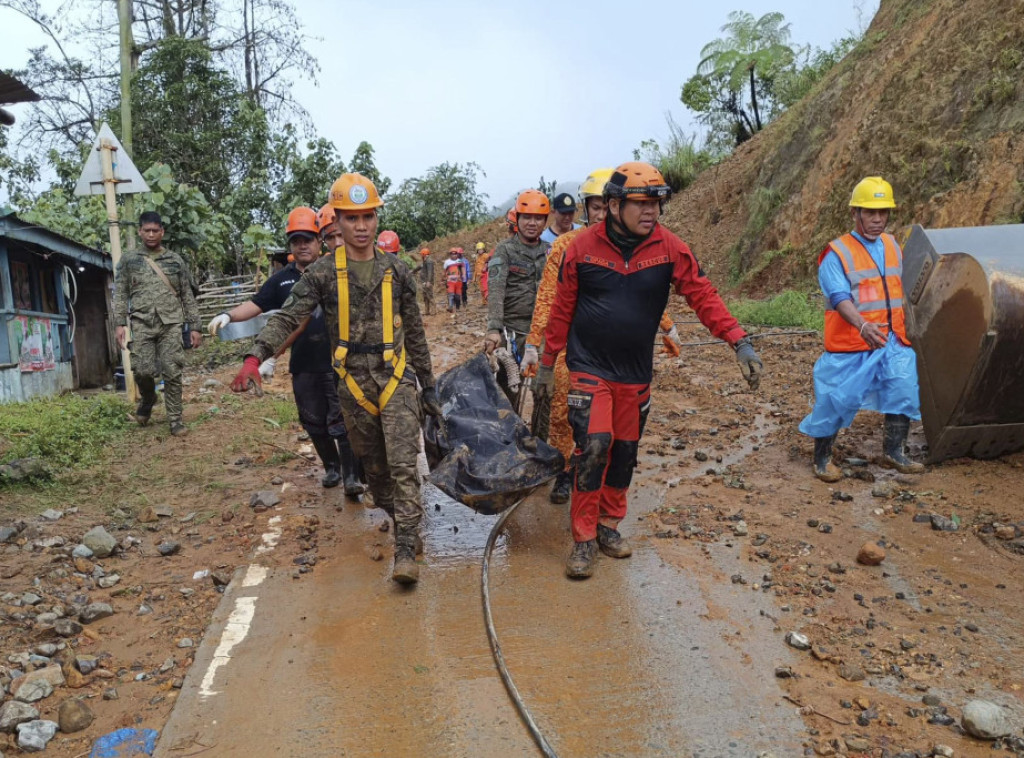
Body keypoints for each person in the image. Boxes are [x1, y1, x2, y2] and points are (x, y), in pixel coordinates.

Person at [537, 162, 763, 579]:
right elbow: (560, 311)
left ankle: (608, 526)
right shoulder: (581, 249)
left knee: (624, 453)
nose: (651, 213)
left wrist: (739, 341)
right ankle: (584, 539)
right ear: (615, 205)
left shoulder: (670, 248)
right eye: (642, 204)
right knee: (594, 447)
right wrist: (547, 365)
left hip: (635, 372)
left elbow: (703, 294)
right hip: (589, 368)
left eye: (657, 204)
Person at [230, 173, 441, 585]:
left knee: (401, 464)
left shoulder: (398, 272)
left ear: (376, 218)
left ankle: (406, 548)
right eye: (351, 218)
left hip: (395, 379)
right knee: (375, 476)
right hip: (353, 387)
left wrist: (429, 387)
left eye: (367, 217)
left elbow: (415, 333)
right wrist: (255, 357)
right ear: (337, 223)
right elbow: (288, 316)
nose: (361, 227)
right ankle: (402, 517)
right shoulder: (322, 274)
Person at [209, 206, 367, 496]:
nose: (302, 245)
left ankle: (351, 476)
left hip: (338, 363)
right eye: (296, 240)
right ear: (290, 245)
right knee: (312, 420)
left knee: (342, 420)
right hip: (304, 363)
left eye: (308, 238)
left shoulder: (335, 271)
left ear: (319, 240)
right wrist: (229, 315)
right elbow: (257, 306)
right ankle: (331, 466)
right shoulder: (282, 280)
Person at [798, 176, 924, 481]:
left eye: (883, 212)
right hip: (851, 343)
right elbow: (839, 296)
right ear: (855, 213)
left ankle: (895, 451)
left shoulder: (893, 245)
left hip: (891, 338)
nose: (877, 219)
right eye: (870, 212)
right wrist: (863, 324)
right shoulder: (837, 253)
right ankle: (822, 458)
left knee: (903, 389)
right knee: (834, 399)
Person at [522, 168, 613, 504]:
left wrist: (666, 325)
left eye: (609, 207)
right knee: (562, 410)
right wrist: (533, 344)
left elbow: (644, 295)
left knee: (606, 418)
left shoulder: (630, 249)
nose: (603, 215)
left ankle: (598, 473)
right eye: (596, 208)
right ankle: (565, 472)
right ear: (586, 209)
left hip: (612, 349)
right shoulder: (564, 246)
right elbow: (547, 298)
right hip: (571, 344)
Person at [113, 211, 202, 437]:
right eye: (147, 230)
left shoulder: (175, 260)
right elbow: (121, 293)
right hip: (142, 323)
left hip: (171, 324)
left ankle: (175, 419)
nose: (151, 235)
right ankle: (149, 398)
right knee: (142, 370)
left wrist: (195, 326)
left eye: (155, 230)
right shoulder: (129, 260)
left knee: (172, 370)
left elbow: (187, 296)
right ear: (140, 232)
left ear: (162, 232)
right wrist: (119, 323)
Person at [483, 189, 551, 402]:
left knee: (545, 392)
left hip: (542, 334)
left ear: (545, 221)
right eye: (527, 217)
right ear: (518, 219)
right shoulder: (505, 250)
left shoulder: (551, 251)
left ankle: (539, 435)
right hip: (511, 331)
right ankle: (510, 435)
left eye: (538, 218)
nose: (532, 223)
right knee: (508, 391)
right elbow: (496, 290)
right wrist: (494, 329)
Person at [444, 248, 465, 315]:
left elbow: (463, 268)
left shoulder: (459, 261)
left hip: (458, 281)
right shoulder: (447, 262)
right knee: (451, 294)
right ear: (450, 254)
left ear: (457, 254)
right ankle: (450, 306)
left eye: (455, 254)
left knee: (457, 295)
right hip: (450, 281)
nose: (454, 255)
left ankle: (458, 307)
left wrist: (464, 275)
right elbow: (444, 271)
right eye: (452, 254)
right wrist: (444, 278)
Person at [418, 247, 435, 316]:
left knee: (430, 296)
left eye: (421, 254)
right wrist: (412, 271)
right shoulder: (425, 261)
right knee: (425, 297)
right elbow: (419, 267)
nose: (420, 255)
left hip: (427, 282)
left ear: (424, 254)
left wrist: (428, 281)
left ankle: (434, 310)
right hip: (424, 282)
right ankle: (427, 311)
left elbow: (430, 272)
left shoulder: (429, 261)